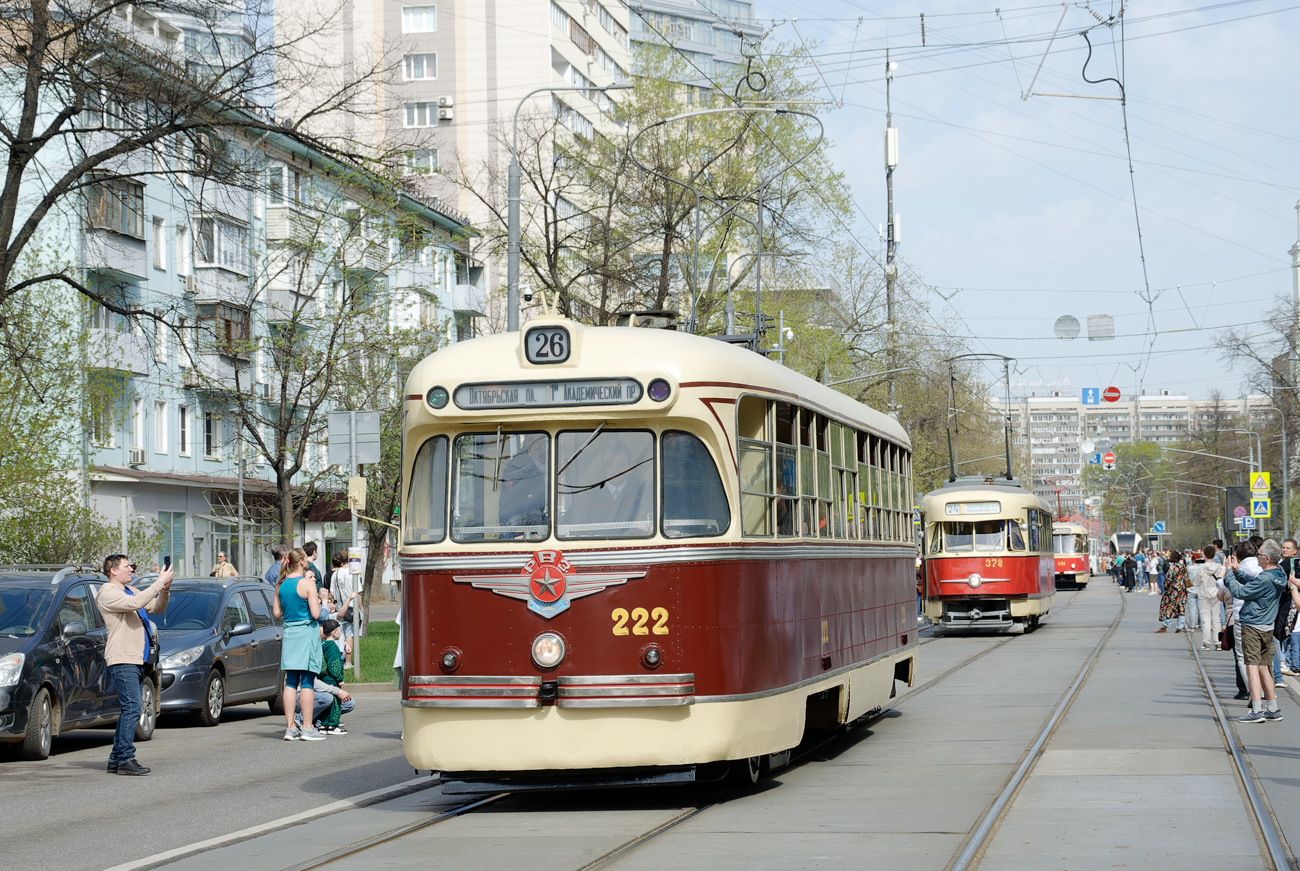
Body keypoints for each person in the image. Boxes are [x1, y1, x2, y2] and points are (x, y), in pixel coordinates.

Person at [96, 553, 173, 775]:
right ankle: (125, 759)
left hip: (136, 657)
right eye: (128, 566)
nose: (132, 570)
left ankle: (116, 758)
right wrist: (158, 583)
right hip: (122, 657)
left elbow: (157, 608)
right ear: (113, 570)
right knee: (132, 708)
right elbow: (134, 604)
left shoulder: (131, 590)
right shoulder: (108, 592)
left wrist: (165, 589)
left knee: (129, 708)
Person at [1223, 539, 1288, 722]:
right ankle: (1273, 708)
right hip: (1267, 626)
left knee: (1251, 666)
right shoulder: (1278, 573)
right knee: (1263, 667)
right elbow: (1255, 583)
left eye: (1259, 554)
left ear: (1267, 558)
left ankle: (1257, 711)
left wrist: (1228, 573)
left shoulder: (1266, 578)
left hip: (1253, 625)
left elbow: (1240, 593)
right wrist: (1237, 572)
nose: (1256, 556)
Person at [271, 547, 325, 740]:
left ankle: (290, 726)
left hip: (290, 633)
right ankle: (308, 727)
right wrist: (320, 601)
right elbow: (316, 614)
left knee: (291, 681)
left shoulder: (281, 584)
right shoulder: (307, 584)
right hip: (306, 633)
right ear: (302, 561)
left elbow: (276, 613)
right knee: (308, 681)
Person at [499, 434, 548, 530]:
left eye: (542, 439)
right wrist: (523, 533)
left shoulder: (557, 464)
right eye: (531, 439)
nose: (537, 444)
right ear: (526, 443)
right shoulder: (518, 468)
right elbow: (513, 506)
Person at [330, 551, 360, 667]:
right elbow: (358, 593)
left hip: (339, 608)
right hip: (351, 607)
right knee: (349, 634)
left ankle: (337, 660)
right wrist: (360, 608)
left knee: (339, 634)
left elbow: (332, 592)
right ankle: (347, 662)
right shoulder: (353, 574)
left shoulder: (336, 574)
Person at [1157, 550, 1187, 633]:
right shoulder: (1182, 566)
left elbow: (1168, 579)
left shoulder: (1172, 567)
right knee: (1181, 607)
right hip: (1182, 589)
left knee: (1169, 606)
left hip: (1173, 590)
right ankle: (1180, 627)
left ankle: (1165, 625)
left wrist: (1165, 587)